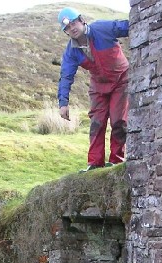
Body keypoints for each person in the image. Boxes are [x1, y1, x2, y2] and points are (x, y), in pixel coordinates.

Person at [56, 7, 129, 171]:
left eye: (73, 23)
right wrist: (63, 103)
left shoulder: (102, 29)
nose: (72, 28)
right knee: (97, 123)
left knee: (119, 120)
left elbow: (128, 26)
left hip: (121, 79)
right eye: (67, 28)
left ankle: (117, 160)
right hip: (98, 86)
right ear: (66, 32)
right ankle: (95, 164)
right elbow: (66, 76)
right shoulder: (71, 51)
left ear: (81, 20)